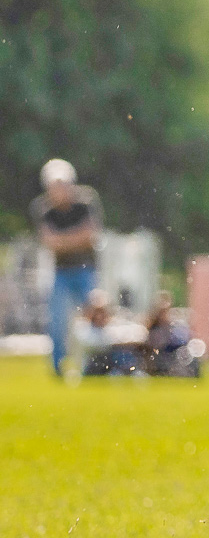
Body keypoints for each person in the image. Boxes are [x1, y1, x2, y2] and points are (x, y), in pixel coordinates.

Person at [31, 159, 103, 378]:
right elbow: (48, 241)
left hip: (86, 269)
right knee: (57, 322)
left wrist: (63, 241)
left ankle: (96, 364)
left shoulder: (86, 202)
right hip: (60, 272)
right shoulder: (44, 209)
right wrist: (75, 238)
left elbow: (91, 235)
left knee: (95, 318)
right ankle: (58, 368)